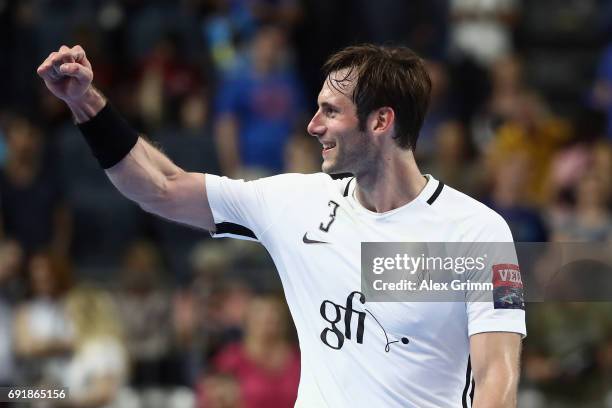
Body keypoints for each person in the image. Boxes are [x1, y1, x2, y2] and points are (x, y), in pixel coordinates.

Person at [37, 43, 525, 407]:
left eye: (330, 112)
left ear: (381, 122)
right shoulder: (296, 201)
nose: (312, 125)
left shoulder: (479, 233)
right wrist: (86, 104)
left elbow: (496, 378)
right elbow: (160, 187)